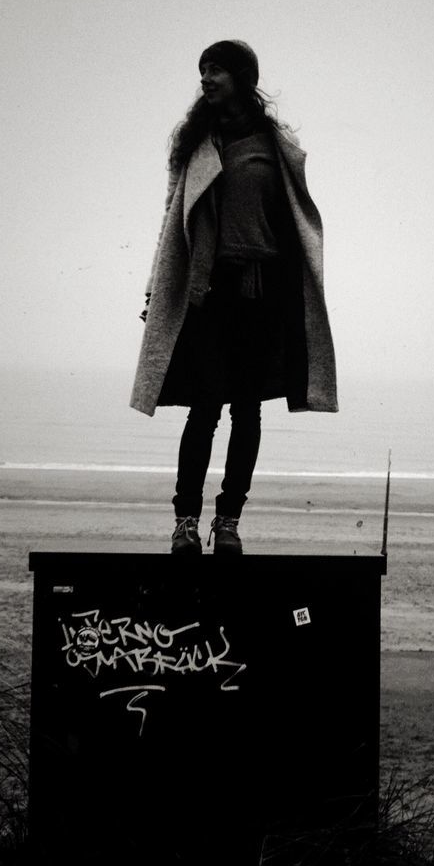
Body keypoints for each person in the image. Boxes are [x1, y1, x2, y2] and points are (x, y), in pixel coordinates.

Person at [130, 40, 337, 555]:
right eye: (202, 69)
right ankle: (184, 522)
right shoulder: (197, 141)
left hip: (263, 293)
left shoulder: (275, 143)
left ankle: (229, 521)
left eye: (216, 69)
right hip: (209, 291)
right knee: (204, 410)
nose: (205, 78)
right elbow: (170, 219)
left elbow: (296, 219)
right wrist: (156, 288)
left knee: (248, 411)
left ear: (243, 78)